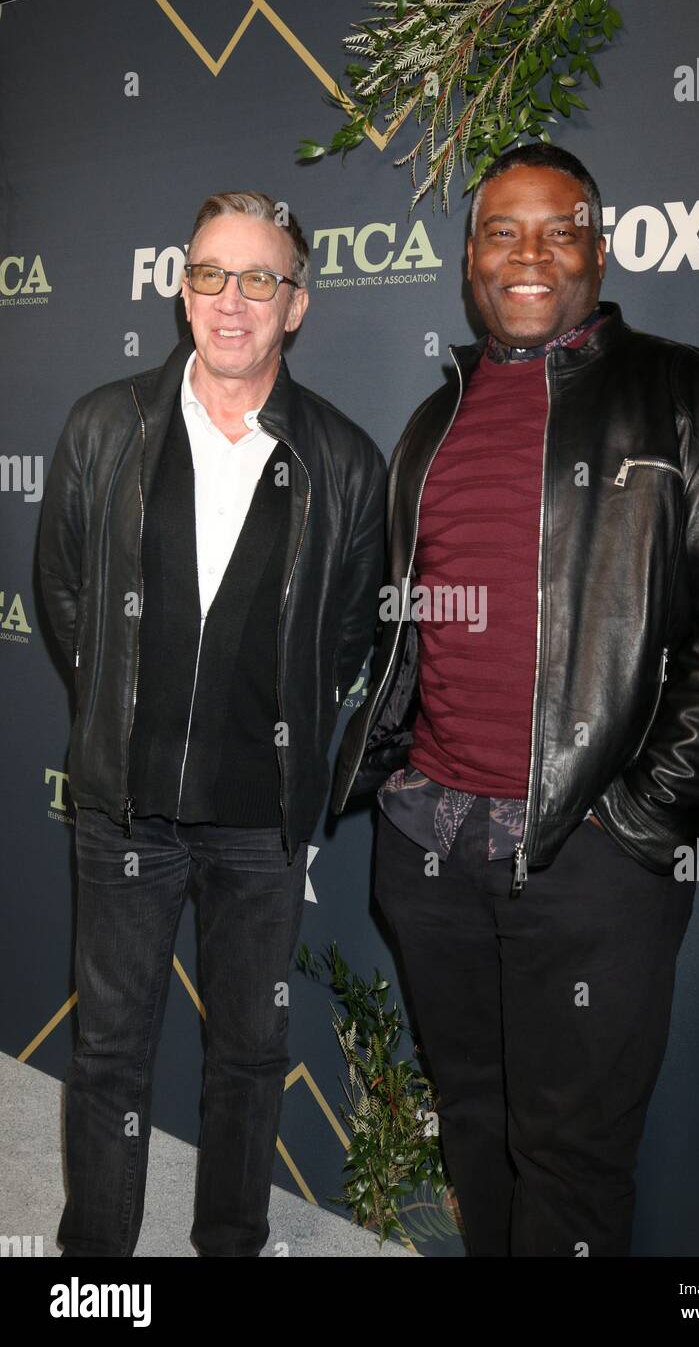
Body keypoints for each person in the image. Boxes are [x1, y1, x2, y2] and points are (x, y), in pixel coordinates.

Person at [331, 145, 699, 1257]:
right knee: (478, 1128)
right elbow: (408, 624)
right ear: (469, 260)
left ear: (598, 245)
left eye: (558, 228)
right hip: (431, 843)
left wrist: (635, 821)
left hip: (587, 858)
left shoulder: (693, 394)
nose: (528, 253)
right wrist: (390, 773)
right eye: (501, 230)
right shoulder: (429, 425)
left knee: (570, 1159)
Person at [38, 191, 386, 1257]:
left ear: (297, 305)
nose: (230, 301)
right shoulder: (106, 424)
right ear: (181, 288)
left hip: (260, 822)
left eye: (259, 278)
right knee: (109, 1053)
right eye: (209, 274)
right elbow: (62, 598)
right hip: (125, 809)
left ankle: (228, 1242)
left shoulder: (343, 459)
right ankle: (95, 1265)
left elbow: (343, 642)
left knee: (247, 1050)